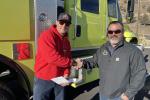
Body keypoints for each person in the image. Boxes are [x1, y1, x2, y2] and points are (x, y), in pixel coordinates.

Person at [75, 21, 146, 100]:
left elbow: (140, 73)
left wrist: (128, 94)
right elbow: (94, 61)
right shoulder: (103, 48)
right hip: (103, 95)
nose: (113, 34)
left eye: (117, 31)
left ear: (123, 33)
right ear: (107, 33)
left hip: (121, 97)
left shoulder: (133, 51)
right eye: (110, 32)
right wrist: (83, 63)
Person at [33, 12, 76, 100]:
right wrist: (72, 63)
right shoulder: (47, 35)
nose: (64, 26)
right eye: (61, 22)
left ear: (69, 26)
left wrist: (66, 73)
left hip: (60, 79)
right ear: (56, 22)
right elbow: (52, 58)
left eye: (67, 23)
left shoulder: (66, 41)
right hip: (44, 78)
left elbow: (68, 57)